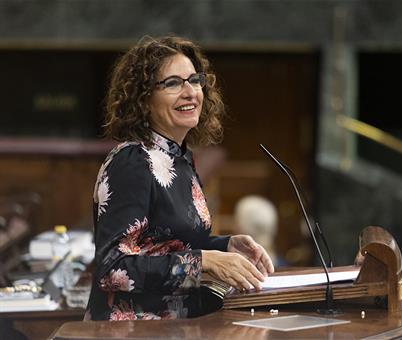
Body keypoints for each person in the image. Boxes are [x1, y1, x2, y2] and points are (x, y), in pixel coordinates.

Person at [85, 35, 274, 321]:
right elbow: (111, 270)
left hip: (176, 326)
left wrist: (225, 246)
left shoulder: (180, 158)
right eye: (173, 83)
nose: (190, 92)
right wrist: (205, 261)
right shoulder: (132, 162)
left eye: (194, 80)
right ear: (143, 99)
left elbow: (170, 244)